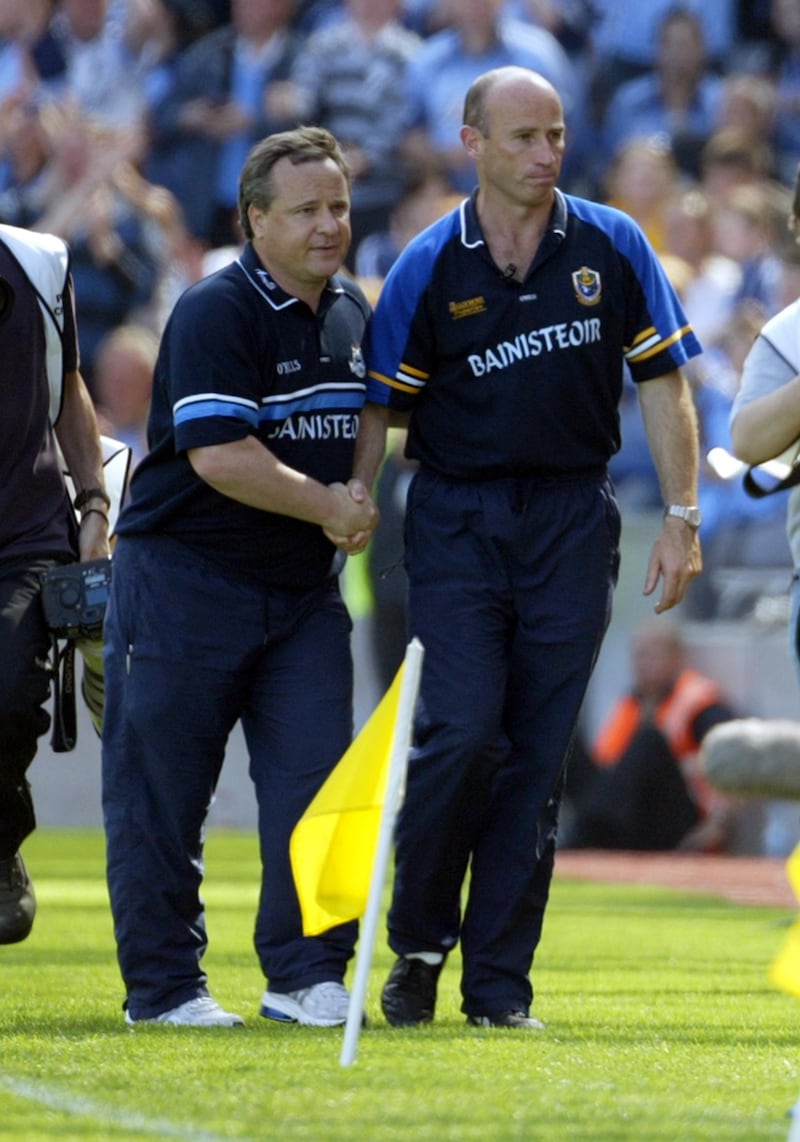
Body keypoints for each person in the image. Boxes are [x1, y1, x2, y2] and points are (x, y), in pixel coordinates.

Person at [349, 66, 703, 1030]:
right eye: (524, 137)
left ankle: (499, 989)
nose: (547, 152)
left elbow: (666, 382)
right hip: (457, 515)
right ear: (472, 143)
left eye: (556, 134)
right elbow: (380, 406)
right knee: (461, 735)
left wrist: (682, 514)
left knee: (537, 758)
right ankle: (420, 943)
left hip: (570, 517)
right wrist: (352, 501)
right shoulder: (428, 263)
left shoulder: (614, 242)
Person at [101, 125, 379, 1028]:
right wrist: (336, 509)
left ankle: (305, 976)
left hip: (299, 594)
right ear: (255, 220)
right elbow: (221, 455)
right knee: (165, 796)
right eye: (306, 210)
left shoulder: (350, 311)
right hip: (186, 580)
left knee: (315, 787)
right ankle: (166, 989)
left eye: (338, 206)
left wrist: (363, 487)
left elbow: (371, 412)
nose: (329, 225)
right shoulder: (214, 308)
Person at [0, 221, 110, 944]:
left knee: (8, 692)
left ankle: (0, 846)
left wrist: (95, 500)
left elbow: (68, 381)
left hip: (26, 531)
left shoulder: (39, 261)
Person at [561, 620, 738, 852]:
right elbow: (609, 765)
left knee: (649, 741)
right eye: (639, 655)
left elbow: (738, 761)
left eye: (653, 655)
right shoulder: (631, 703)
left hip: (678, 818)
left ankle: (581, 839)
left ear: (678, 658)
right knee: (566, 741)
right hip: (628, 815)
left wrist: (720, 824)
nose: (644, 663)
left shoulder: (701, 704)